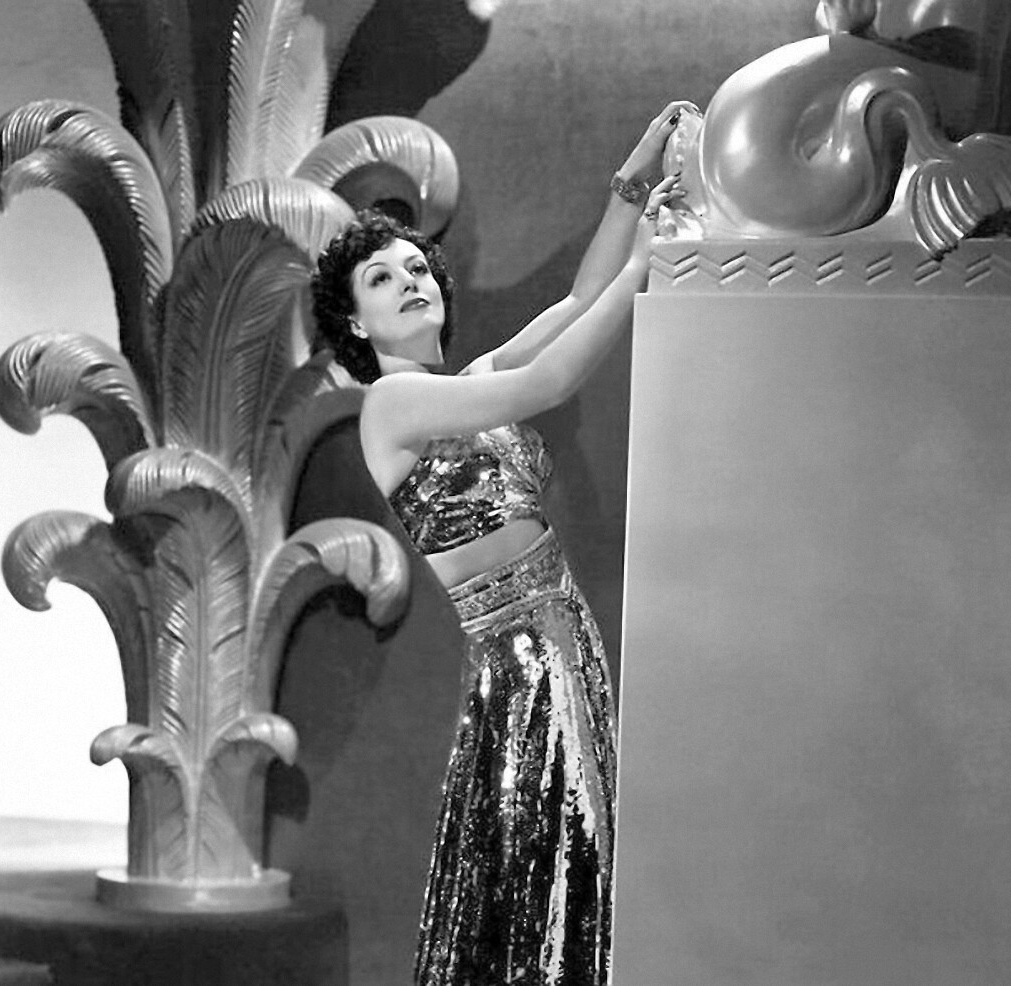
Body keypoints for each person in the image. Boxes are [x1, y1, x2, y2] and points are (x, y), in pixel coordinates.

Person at [310, 101, 687, 986]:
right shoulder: (392, 406)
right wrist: (647, 265)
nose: (410, 281)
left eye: (417, 267)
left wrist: (633, 183)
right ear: (356, 323)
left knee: (572, 874)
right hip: (520, 665)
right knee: (550, 876)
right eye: (381, 279)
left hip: (566, 641)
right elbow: (550, 379)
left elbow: (580, 300)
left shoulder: (472, 381)